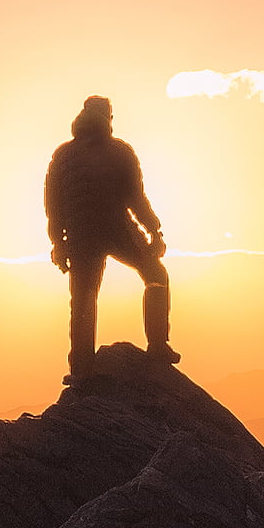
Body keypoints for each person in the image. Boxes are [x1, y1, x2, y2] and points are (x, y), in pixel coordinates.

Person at [44, 95, 174, 370]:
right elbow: (135, 197)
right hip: (118, 228)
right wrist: (154, 230)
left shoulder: (63, 155)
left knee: (83, 298)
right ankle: (158, 347)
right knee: (156, 276)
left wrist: (59, 243)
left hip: (80, 235)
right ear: (108, 118)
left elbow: (53, 204)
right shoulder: (119, 151)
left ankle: (81, 368)